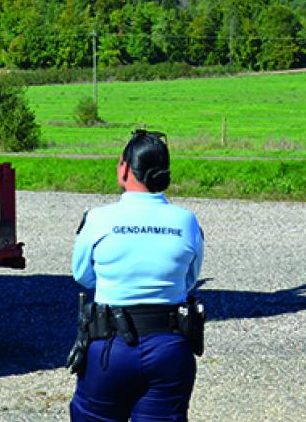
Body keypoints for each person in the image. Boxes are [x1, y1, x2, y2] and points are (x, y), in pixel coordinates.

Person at [68, 130, 205, 421]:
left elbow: (82, 274)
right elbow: (189, 280)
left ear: (126, 168)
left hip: (110, 347)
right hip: (169, 346)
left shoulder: (98, 218)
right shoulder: (186, 220)